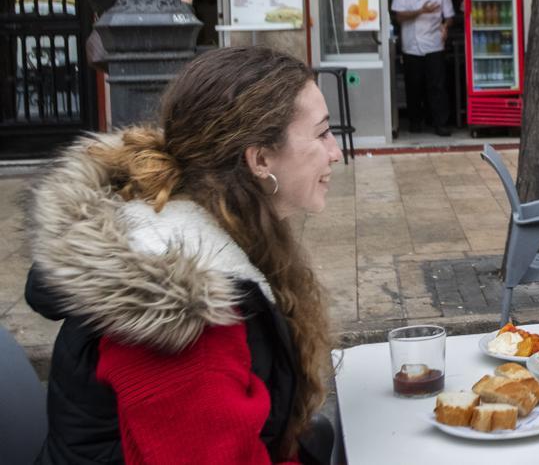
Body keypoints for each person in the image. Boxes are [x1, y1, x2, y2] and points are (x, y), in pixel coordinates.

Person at [25, 46, 342, 464]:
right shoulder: (183, 315)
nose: (335, 151)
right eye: (321, 133)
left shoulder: (212, 226)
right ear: (260, 159)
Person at [392, 0, 455, 136]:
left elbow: (449, 16)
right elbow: (399, 15)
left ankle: (440, 123)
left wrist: (445, 26)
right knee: (414, 85)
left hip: (435, 43)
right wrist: (421, 11)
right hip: (411, 45)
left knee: (437, 86)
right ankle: (415, 122)